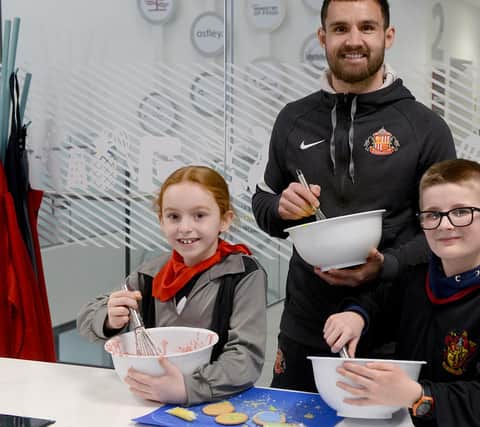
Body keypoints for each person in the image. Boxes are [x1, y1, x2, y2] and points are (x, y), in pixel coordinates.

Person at [252, 0, 456, 392]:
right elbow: (262, 204)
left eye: (367, 27)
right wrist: (281, 208)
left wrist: (388, 265)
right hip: (304, 327)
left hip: (392, 332)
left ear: (388, 36)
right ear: (323, 37)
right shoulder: (292, 120)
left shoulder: (425, 128)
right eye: (341, 29)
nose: (354, 40)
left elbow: (443, 230)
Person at [323, 159, 480, 427]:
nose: (445, 225)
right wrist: (356, 315)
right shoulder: (418, 276)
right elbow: (378, 302)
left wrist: (417, 395)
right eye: (432, 214)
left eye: (461, 212)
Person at [77, 165, 267, 405]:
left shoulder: (243, 274)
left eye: (199, 215)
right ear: (161, 221)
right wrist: (108, 317)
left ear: (225, 220)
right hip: (152, 401)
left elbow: (246, 358)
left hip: (217, 402)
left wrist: (189, 388)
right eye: (173, 216)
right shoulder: (149, 274)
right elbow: (86, 317)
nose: (185, 227)